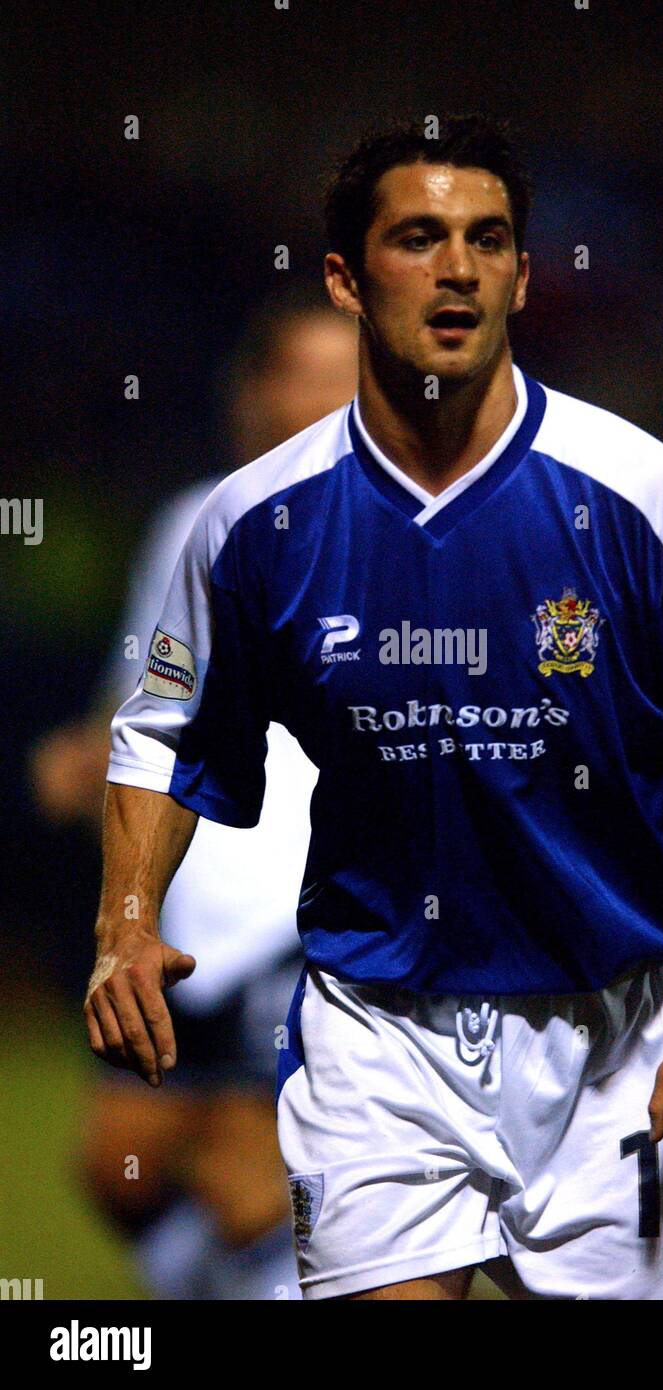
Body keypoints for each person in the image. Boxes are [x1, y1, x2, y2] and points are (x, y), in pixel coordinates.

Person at [86, 114, 663, 1301]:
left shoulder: (642, 496)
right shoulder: (254, 524)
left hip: (619, 1045)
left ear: (523, 276)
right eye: (417, 237)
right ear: (343, 277)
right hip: (374, 1036)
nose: (455, 268)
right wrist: (123, 922)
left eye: (487, 240)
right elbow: (162, 739)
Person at [33, 296, 357, 1298]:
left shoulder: (382, 528)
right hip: (185, 910)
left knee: (247, 1167)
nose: (329, 395)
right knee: (115, 1161)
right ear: (255, 389)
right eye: (306, 371)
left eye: (350, 373)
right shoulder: (193, 518)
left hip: (292, 906)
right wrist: (88, 761)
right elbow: (150, 710)